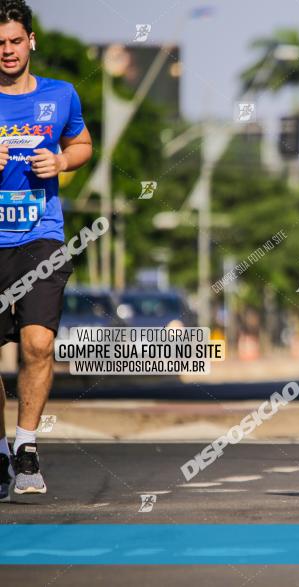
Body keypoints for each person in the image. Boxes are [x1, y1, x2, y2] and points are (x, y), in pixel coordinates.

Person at [0, 0, 93, 501]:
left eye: (15, 41)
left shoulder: (60, 95)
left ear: (30, 41)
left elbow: (82, 145)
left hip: (41, 235)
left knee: (37, 344)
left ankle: (27, 446)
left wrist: (60, 159)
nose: (7, 51)